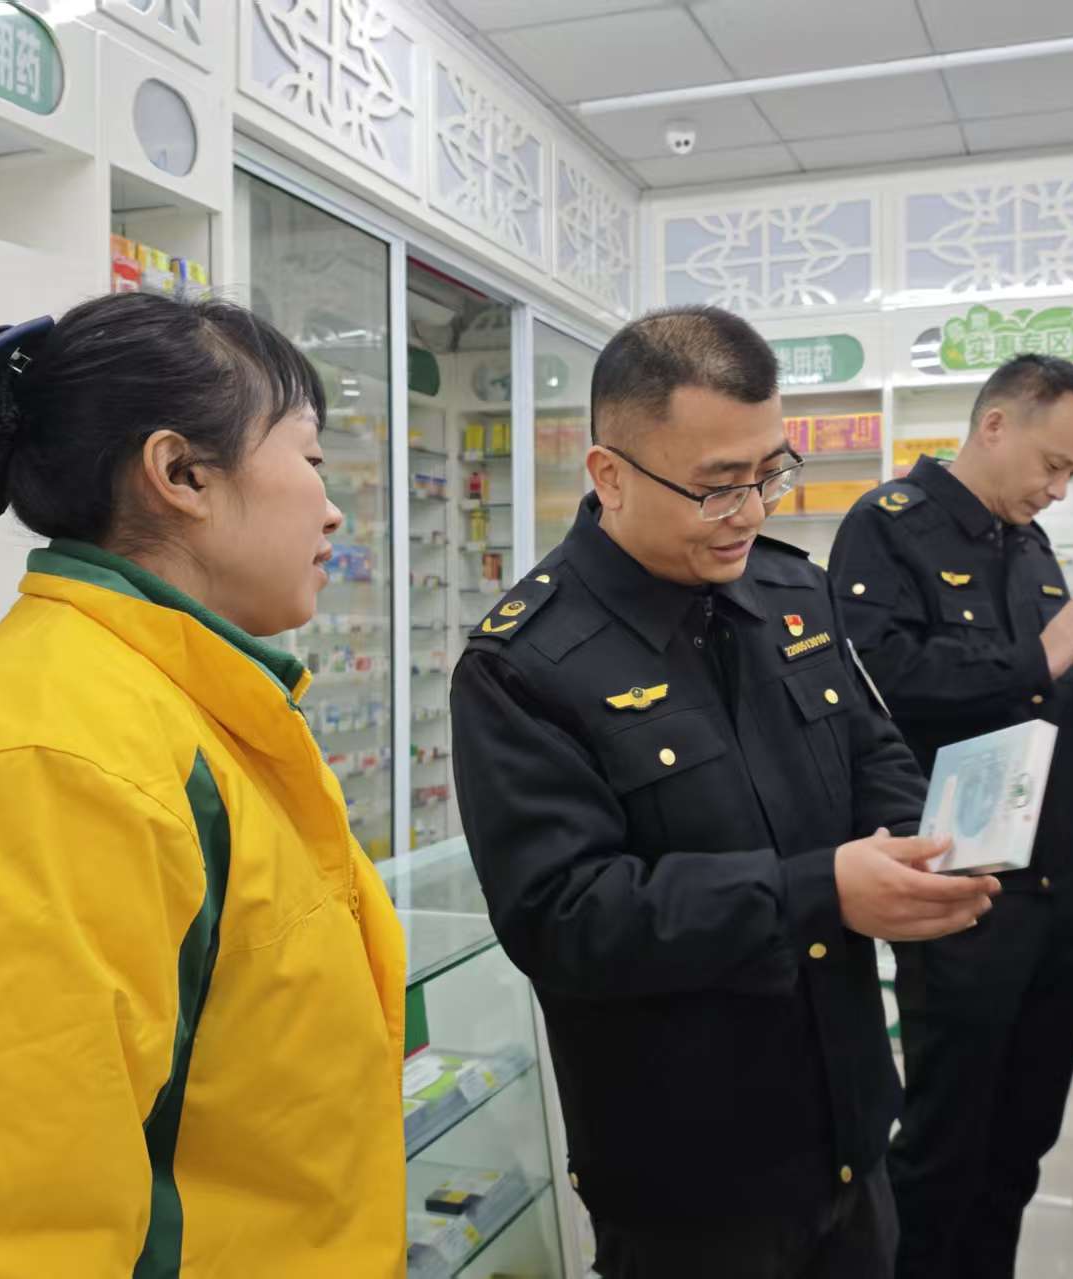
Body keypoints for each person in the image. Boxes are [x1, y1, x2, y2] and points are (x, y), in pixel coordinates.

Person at [0, 294, 408, 1276]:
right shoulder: (50, 769)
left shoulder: (179, 709)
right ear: (181, 473)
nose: (332, 508)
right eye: (311, 457)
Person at [448, 305, 998, 1279]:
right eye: (716, 487)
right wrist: (820, 890)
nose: (750, 511)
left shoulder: (791, 593)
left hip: (849, 1128)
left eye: (769, 474)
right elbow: (565, 917)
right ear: (609, 474)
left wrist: (921, 841)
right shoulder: (523, 665)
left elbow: (869, 749)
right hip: (690, 1181)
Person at [827, 353, 1073, 1279]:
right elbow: (880, 688)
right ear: (994, 425)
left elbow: (1042, 706)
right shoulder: (886, 527)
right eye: (1052, 464)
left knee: (1022, 1138)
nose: (1059, 489)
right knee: (943, 1143)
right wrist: (1040, 657)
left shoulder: (1029, 544)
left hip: (1058, 883)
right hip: (965, 887)